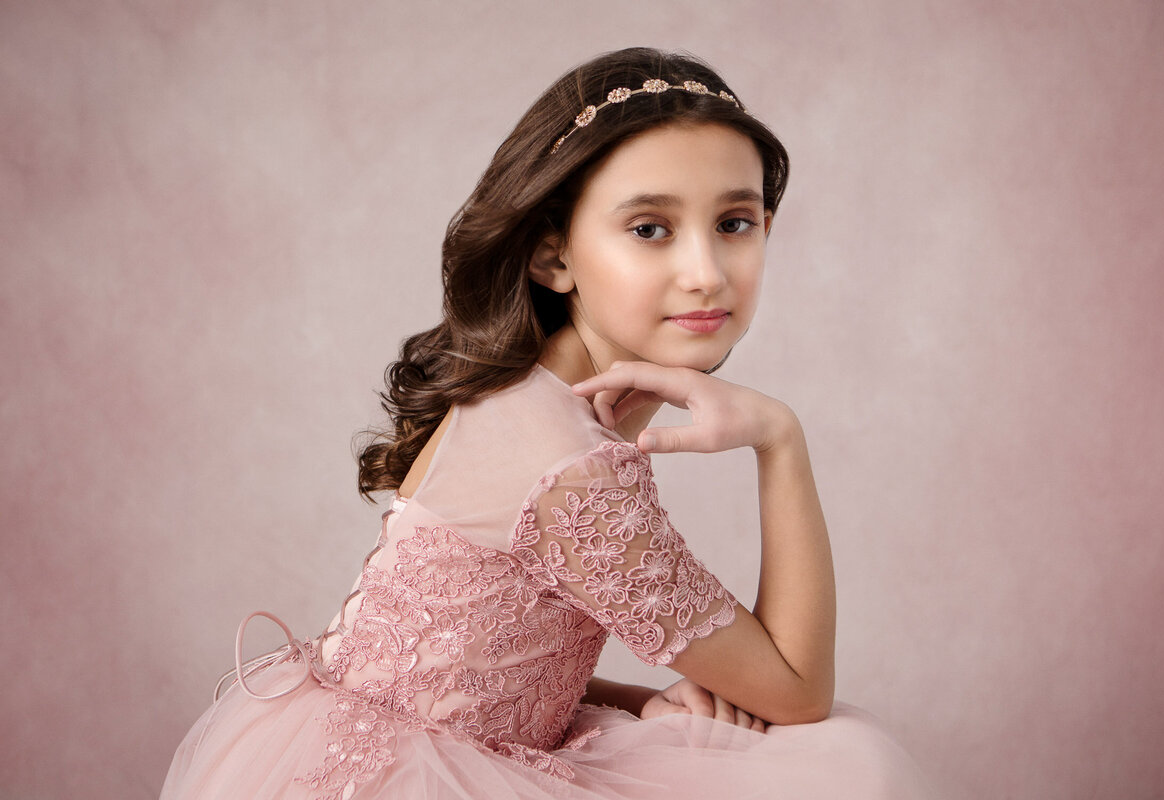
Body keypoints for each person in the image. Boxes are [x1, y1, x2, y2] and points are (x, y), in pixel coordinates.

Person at [161, 47, 933, 799]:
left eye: (736, 222)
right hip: (391, 778)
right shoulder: (570, 468)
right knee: (847, 765)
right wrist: (780, 439)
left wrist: (643, 702)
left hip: (396, 743)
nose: (706, 271)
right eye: (650, 229)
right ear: (551, 257)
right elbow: (796, 693)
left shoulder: (532, 395)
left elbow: (476, 663)